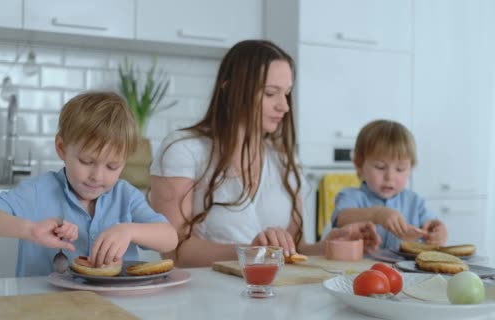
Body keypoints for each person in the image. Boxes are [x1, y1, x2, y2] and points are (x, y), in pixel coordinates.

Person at [149, 40, 381, 267]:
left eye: (286, 93)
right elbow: (176, 253)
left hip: (274, 298)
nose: (284, 106)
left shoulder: (283, 160)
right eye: (271, 93)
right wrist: (250, 251)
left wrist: (331, 243)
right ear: (230, 90)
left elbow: (296, 249)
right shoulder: (183, 150)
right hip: (205, 298)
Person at [0, 91, 178, 276]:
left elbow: (170, 238)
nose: (97, 176)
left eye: (112, 166)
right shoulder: (39, 192)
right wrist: (30, 229)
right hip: (44, 307)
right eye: (86, 161)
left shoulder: (125, 196)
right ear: (62, 148)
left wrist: (129, 230)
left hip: (113, 308)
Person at [331, 119, 447, 250]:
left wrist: (438, 233)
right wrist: (376, 214)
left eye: (400, 169)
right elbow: (341, 218)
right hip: (359, 269)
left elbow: (432, 225)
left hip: (403, 270)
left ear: (410, 169)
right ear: (359, 164)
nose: (389, 177)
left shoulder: (415, 202)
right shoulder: (351, 196)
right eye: (380, 167)